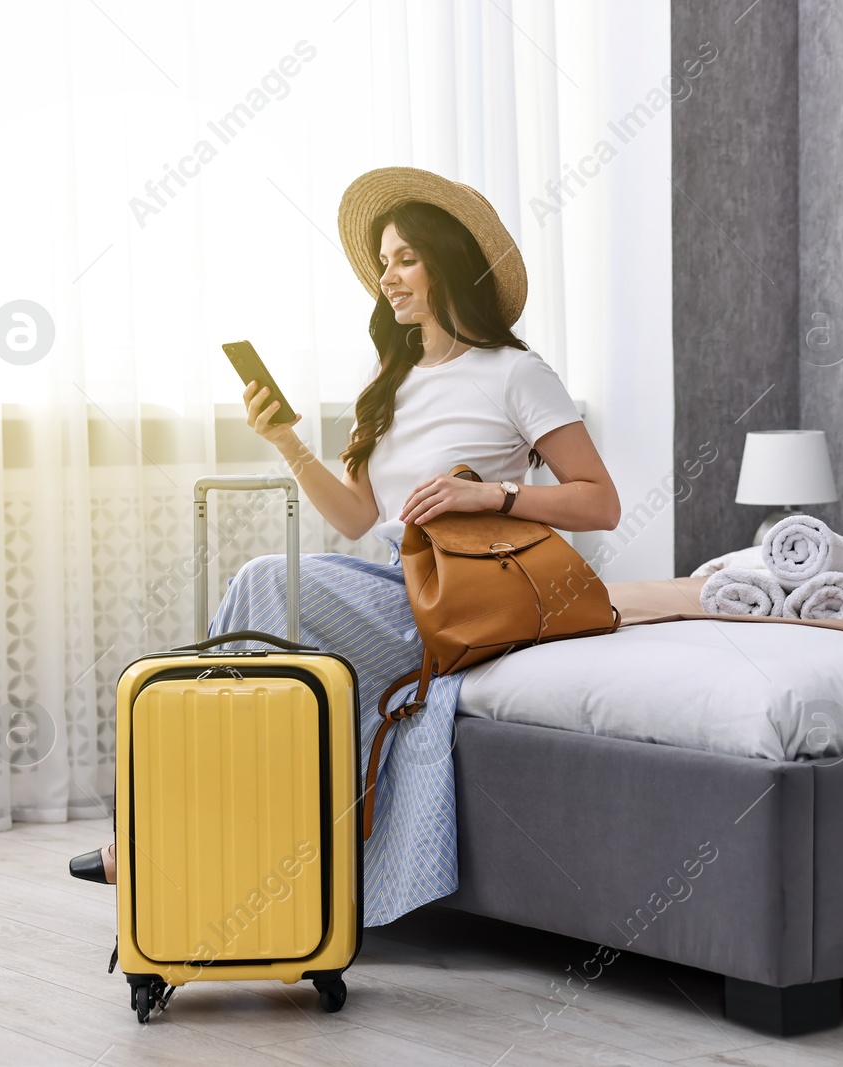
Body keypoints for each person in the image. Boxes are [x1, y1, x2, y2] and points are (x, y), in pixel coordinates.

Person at [70, 167, 620, 925]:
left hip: (458, 599)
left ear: (450, 263)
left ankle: (169, 834)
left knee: (264, 584)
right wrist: (287, 442)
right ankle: (189, 831)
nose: (388, 278)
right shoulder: (388, 380)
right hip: (392, 582)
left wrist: (487, 494)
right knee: (264, 635)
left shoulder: (516, 373)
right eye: (384, 262)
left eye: (405, 259)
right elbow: (359, 517)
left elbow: (601, 501)